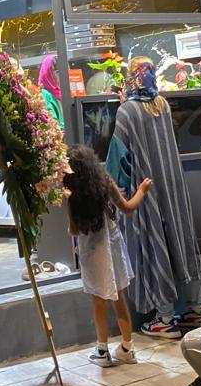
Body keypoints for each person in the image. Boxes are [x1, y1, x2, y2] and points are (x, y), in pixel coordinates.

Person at [106, 56, 201, 339]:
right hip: (172, 187)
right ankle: (198, 308)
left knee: (155, 243)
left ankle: (164, 318)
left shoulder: (127, 111)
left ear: (132, 77)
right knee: (180, 240)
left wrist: (113, 192)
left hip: (146, 189)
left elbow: (119, 157)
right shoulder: (162, 105)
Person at [65, 144, 152, 367]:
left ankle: (102, 350)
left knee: (98, 301)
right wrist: (142, 190)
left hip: (92, 253)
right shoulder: (105, 182)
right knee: (119, 297)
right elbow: (128, 207)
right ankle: (127, 347)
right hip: (112, 249)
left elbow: (74, 230)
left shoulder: (73, 196)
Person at [38, 53, 65, 128]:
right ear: (47, 72)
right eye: (56, 72)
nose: (60, 76)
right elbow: (53, 123)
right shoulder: (44, 95)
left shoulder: (61, 92)